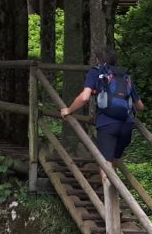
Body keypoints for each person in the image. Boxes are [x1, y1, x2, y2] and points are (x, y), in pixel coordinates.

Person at [59, 45, 145, 179]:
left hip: (107, 124)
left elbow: (84, 97)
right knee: (113, 161)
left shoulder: (95, 73)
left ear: (98, 60)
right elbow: (140, 106)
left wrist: (68, 110)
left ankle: (108, 199)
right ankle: (114, 196)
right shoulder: (124, 76)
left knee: (106, 164)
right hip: (127, 125)